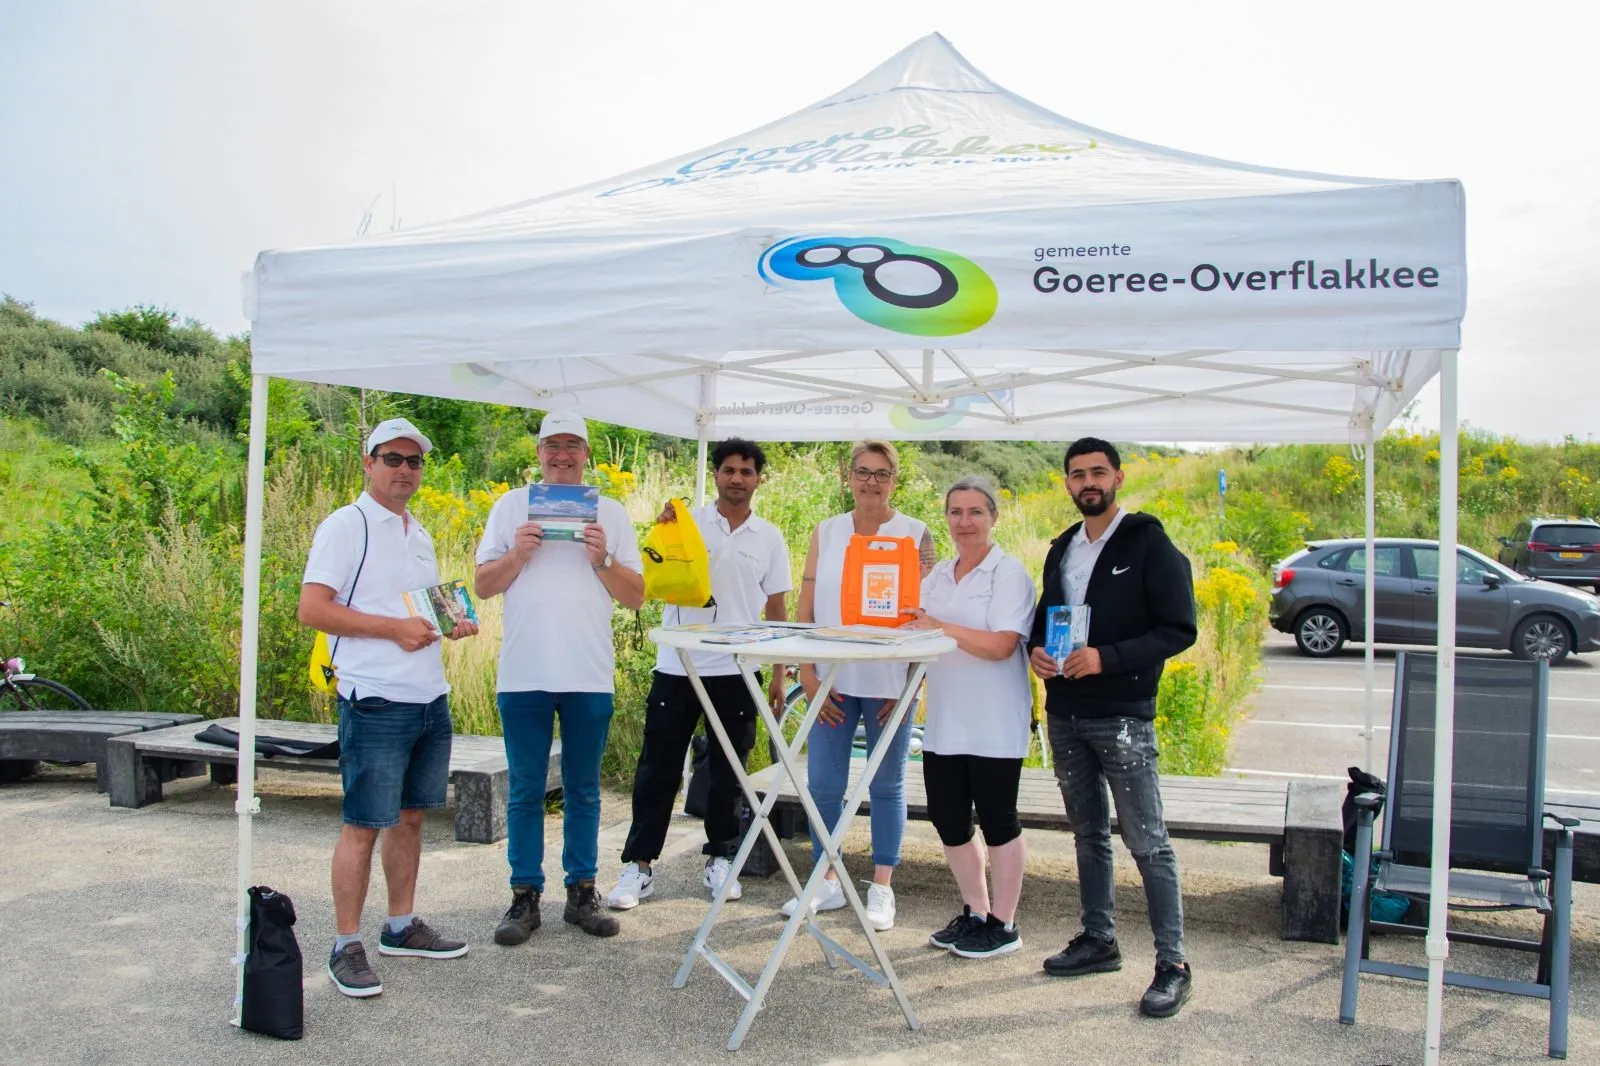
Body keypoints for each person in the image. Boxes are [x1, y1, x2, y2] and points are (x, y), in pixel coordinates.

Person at [299, 417, 480, 999]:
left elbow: (417, 606)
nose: (405, 470)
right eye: (393, 459)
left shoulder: (415, 528)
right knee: (362, 825)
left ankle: (399, 926)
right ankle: (345, 944)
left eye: (414, 462)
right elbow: (313, 609)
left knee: (410, 818)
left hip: (429, 694)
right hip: (375, 697)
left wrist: (451, 622)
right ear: (368, 463)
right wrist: (392, 630)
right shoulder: (346, 525)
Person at [1027, 437, 1198, 1018]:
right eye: (1077, 474)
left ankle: (1172, 964)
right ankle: (1099, 940)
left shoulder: (1148, 540)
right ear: (1067, 484)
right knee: (1088, 835)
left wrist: (1107, 657)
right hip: (1065, 713)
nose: (1087, 482)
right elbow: (1042, 620)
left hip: (1123, 714)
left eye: (1097, 472)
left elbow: (1179, 629)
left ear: (1119, 477)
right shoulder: (1062, 548)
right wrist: (1036, 653)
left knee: (1147, 841)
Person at [474, 411, 644, 943]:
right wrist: (517, 554)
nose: (562, 455)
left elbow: (636, 596)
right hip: (524, 671)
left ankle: (582, 892)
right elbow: (482, 585)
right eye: (553, 445)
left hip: (588, 672)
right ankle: (524, 897)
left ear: (587, 454)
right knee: (525, 790)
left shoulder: (611, 513)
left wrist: (604, 560)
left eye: (573, 445)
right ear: (540, 452)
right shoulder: (510, 507)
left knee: (584, 790)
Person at [605, 439, 793, 910]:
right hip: (678, 663)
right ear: (716, 475)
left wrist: (776, 675)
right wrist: (662, 530)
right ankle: (640, 866)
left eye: (746, 471)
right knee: (657, 768)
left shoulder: (769, 537)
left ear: (758, 480)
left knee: (729, 770)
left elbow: (777, 608)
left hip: (738, 668)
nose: (737, 478)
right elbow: (650, 576)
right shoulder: (682, 522)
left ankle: (721, 859)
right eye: (728, 470)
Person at [788, 440, 936, 931]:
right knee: (824, 785)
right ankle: (825, 880)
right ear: (847, 476)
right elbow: (806, 603)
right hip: (831, 678)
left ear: (896, 480)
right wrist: (807, 673)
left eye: (882, 473)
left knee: (887, 784)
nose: (871, 481)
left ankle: (882, 887)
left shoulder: (916, 534)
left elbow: (925, 620)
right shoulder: (826, 532)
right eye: (862, 472)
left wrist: (911, 682)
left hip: (890, 683)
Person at [903, 475, 1036, 960]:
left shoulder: (1009, 574)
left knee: (999, 821)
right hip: (944, 720)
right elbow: (917, 634)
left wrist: (938, 626)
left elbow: (1001, 646)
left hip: (995, 722)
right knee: (949, 819)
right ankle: (976, 912)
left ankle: (1005, 923)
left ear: (993, 517)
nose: (965, 522)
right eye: (956, 512)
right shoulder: (936, 576)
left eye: (975, 512)